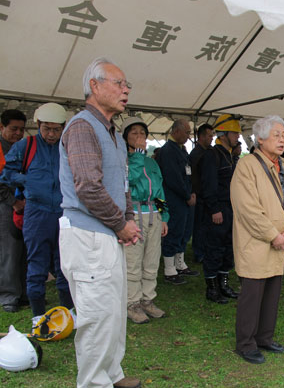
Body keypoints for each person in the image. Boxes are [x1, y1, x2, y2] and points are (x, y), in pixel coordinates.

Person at [58, 57, 142, 388]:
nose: (126, 90)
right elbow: (88, 187)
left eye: (127, 86)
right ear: (94, 86)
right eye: (119, 84)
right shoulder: (81, 126)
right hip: (87, 235)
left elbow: (121, 184)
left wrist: (129, 219)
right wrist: (121, 225)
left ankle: (112, 374)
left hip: (106, 234)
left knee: (112, 312)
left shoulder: (115, 134)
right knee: (95, 317)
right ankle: (94, 383)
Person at [231, 115, 284, 364]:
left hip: (282, 240)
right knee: (253, 293)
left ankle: (264, 337)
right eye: (276, 135)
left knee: (272, 292)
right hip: (257, 242)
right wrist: (273, 235)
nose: (282, 139)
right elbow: (247, 208)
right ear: (260, 139)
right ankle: (245, 343)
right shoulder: (246, 165)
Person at [1, 103, 75, 325]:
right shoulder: (26, 145)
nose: (51, 134)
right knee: (37, 265)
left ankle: (68, 312)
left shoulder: (67, 145)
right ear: (39, 125)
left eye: (56, 129)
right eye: (47, 129)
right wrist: (29, 181)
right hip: (36, 212)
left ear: (63, 127)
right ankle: (38, 315)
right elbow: (7, 174)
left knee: (65, 266)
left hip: (63, 213)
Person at [121, 117, 169, 324]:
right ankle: (132, 303)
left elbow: (159, 190)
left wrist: (164, 217)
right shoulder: (123, 159)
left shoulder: (152, 162)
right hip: (134, 213)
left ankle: (148, 299)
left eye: (143, 133)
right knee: (133, 261)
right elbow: (128, 180)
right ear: (126, 137)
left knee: (151, 260)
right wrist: (138, 156)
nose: (140, 137)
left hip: (153, 214)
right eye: (134, 133)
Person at [199, 114, 241, 303]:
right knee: (214, 248)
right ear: (223, 134)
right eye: (234, 133)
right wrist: (214, 209)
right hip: (217, 210)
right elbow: (208, 185)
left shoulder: (230, 156)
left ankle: (223, 284)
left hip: (231, 209)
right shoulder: (212, 155)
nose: (237, 137)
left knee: (228, 248)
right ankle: (212, 288)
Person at [156, 119, 199, 285]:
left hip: (185, 197)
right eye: (187, 132)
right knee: (173, 231)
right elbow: (173, 178)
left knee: (184, 231)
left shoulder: (182, 150)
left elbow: (188, 175)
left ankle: (180, 264)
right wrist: (187, 195)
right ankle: (169, 269)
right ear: (176, 131)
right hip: (173, 198)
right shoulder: (168, 151)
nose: (189, 136)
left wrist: (191, 192)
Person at [0, 109, 26, 313]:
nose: (18, 133)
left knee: (25, 249)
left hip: (24, 204)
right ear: (2, 127)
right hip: (5, 204)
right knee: (9, 250)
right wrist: (13, 202)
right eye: (13, 129)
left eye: (21, 129)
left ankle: (23, 292)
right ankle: (8, 296)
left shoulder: (23, 147)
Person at [189, 123, 214, 263]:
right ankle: (199, 253)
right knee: (199, 226)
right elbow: (194, 177)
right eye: (209, 135)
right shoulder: (196, 154)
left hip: (206, 195)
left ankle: (204, 250)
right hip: (199, 195)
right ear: (202, 136)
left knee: (205, 226)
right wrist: (195, 192)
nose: (211, 138)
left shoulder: (207, 152)